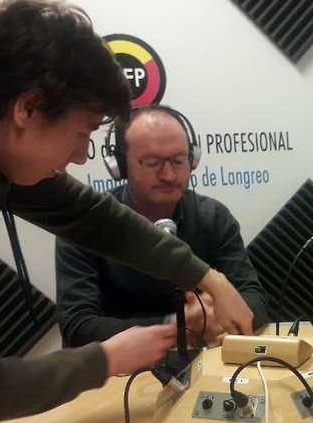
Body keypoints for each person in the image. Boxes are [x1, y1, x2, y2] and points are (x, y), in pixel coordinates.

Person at [0, 0, 252, 423]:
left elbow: (91, 217)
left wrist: (209, 278)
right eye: (82, 133)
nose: (80, 155)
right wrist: (106, 359)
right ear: (27, 109)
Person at [56, 105, 269, 348]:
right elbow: (77, 327)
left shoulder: (213, 217)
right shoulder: (85, 223)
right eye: (152, 162)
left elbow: (255, 298)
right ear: (120, 166)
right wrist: (176, 327)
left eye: (178, 161)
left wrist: (215, 320)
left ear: (193, 160)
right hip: (119, 375)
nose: (169, 175)